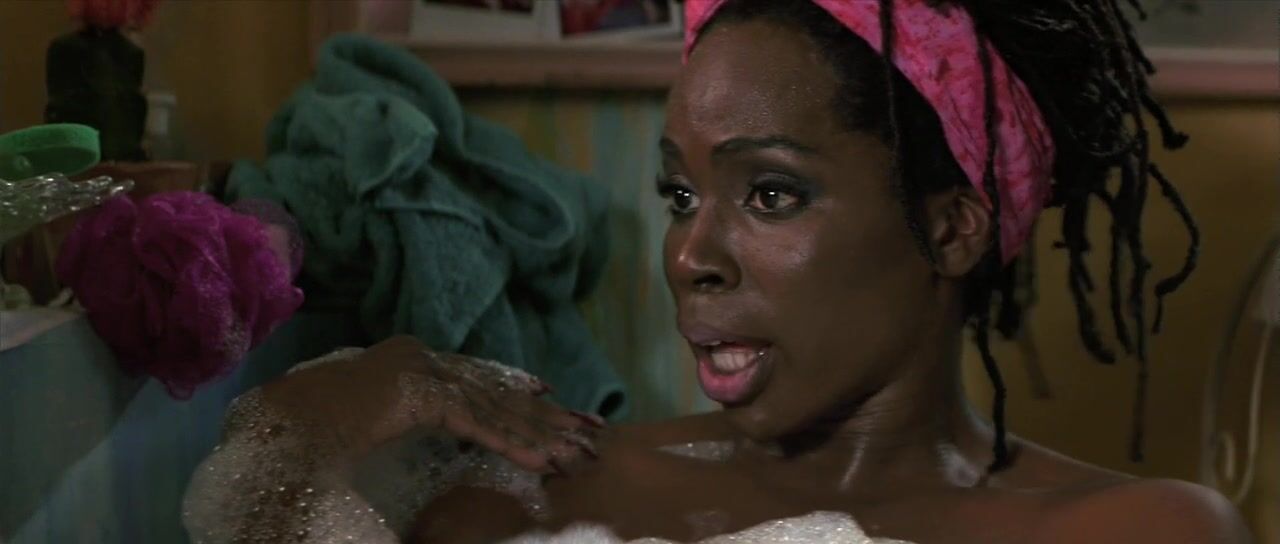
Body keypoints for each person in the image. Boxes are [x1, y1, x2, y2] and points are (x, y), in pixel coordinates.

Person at [183, 0, 1251, 542]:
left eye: (771, 194)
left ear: (951, 229)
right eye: (681, 195)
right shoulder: (549, 493)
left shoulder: (1136, 533)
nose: (689, 256)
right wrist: (345, 398)